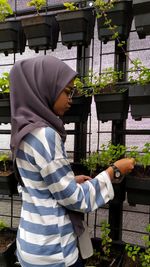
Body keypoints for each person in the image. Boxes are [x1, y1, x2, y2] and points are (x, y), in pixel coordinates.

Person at [10, 55, 135, 267]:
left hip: (30, 243)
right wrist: (114, 171)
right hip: (54, 252)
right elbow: (76, 200)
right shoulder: (45, 136)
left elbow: (37, 184)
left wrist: (69, 180)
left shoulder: (23, 132)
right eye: (67, 91)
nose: (71, 99)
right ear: (44, 87)